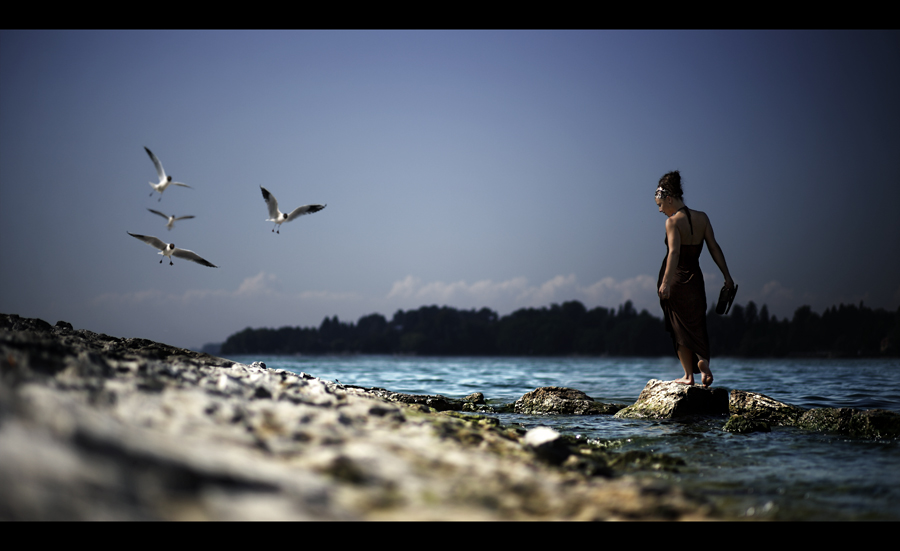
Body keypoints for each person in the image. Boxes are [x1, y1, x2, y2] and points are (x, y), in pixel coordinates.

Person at [655, 170, 734, 387]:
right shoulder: (703, 218)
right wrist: (727, 276)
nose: (660, 210)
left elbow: (674, 253)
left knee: (678, 327)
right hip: (696, 280)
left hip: (677, 280)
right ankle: (704, 364)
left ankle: (688, 376)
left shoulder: (672, 222)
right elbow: (714, 248)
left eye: (660, 205)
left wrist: (665, 283)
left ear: (669, 198)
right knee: (697, 324)